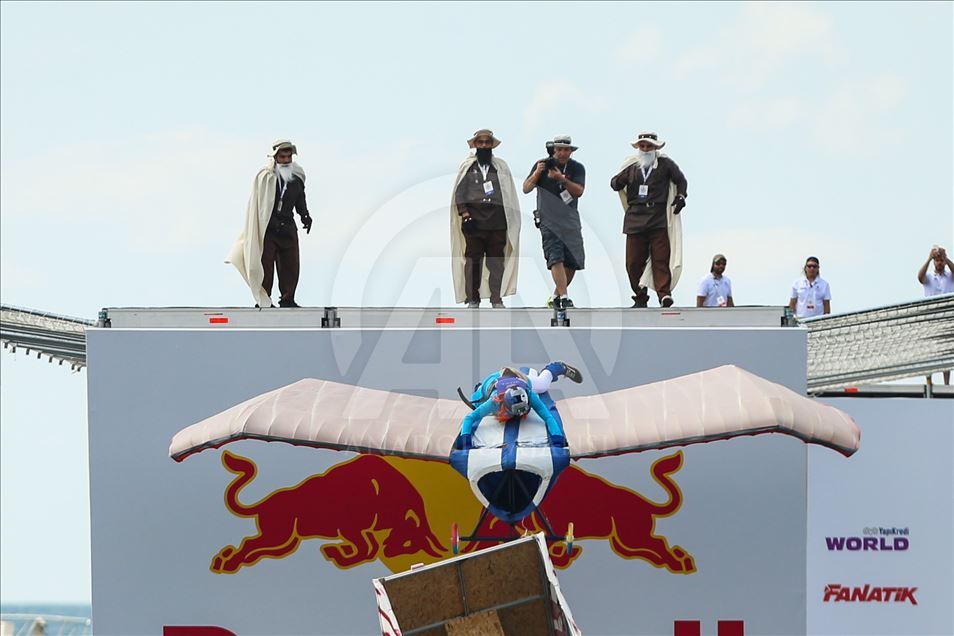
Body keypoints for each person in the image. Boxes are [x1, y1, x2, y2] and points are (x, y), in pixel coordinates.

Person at [227, 140, 313, 308]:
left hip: (288, 228)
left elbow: (300, 199)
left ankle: (288, 299)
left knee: (291, 265)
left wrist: (305, 215)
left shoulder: (297, 177)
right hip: (269, 229)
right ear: (275, 157)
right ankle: (264, 299)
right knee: (265, 266)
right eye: (282, 157)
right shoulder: (265, 177)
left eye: (289, 157)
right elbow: (258, 204)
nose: (286, 160)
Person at [611, 132, 687, 308]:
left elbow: (681, 181)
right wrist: (618, 180)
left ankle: (664, 294)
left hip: (657, 217)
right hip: (635, 218)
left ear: (655, 147)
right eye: (642, 146)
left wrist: (681, 196)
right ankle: (640, 296)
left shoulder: (665, 164)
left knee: (661, 258)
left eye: (649, 146)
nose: (645, 149)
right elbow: (615, 183)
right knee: (633, 262)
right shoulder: (631, 166)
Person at [450, 129, 521, 308]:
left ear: (491, 145)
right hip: (473, 223)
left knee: (496, 262)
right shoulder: (468, 167)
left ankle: (496, 299)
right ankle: (473, 298)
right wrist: (465, 214)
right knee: (473, 262)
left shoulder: (500, 167)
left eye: (487, 142)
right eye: (480, 142)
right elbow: (460, 193)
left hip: (497, 223)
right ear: (475, 145)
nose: (483, 146)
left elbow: (508, 194)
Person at [456, 362, 583, 450]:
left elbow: (547, 416)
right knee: (476, 402)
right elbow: (470, 418)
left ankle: (556, 368)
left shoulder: (529, 394)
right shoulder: (495, 401)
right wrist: (465, 440)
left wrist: (557, 437)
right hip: (491, 383)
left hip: (518, 377)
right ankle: (479, 387)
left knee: (542, 385)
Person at [522, 135, 586, 309]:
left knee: (573, 261)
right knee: (555, 258)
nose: (562, 153)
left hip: (570, 220)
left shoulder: (577, 168)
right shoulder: (542, 165)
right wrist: (537, 173)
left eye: (566, 150)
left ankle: (556, 296)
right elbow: (526, 188)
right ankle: (564, 297)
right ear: (554, 150)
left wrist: (561, 179)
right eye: (559, 149)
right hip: (548, 220)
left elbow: (579, 191)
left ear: (571, 151)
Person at [917, 245, 953, 385]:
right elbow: (920, 277)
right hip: (932, 319)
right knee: (930, 351)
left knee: (947, 352)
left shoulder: (950, 276)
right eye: (937, 260)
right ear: (934, 262)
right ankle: (929, 381)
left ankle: (946, 383)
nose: (940, 263)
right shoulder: (929, 277)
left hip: (947, 318)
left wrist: (946, 258)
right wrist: (929, 258)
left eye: (941, 260)